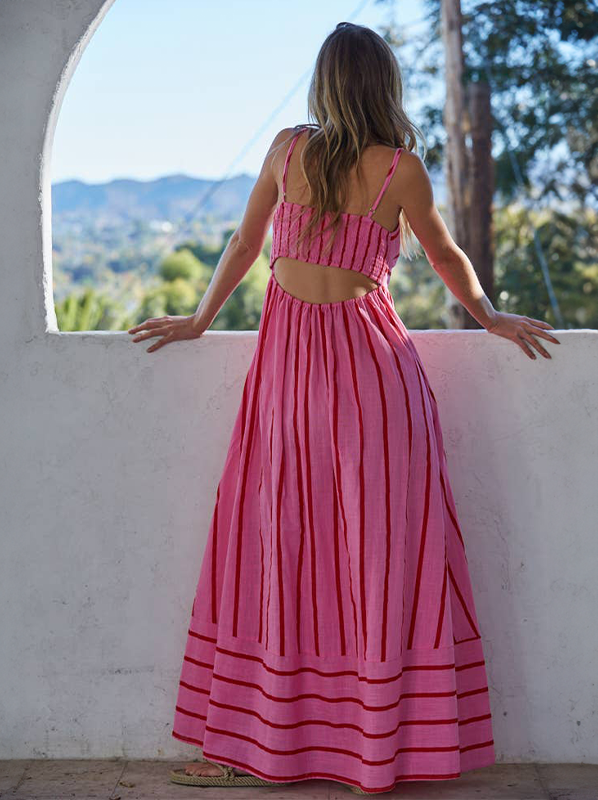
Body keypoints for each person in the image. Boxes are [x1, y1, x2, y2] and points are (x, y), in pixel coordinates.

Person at [128, 21, 559, 797]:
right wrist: (490, 315)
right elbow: (444, 256)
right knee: (375, 551)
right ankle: (374, 750)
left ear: (325, 83)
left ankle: (261, 743)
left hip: (293, 378)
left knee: (276, 546)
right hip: (375, 380)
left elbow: (244, 244)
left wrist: (199, 319)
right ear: (384, 84)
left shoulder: (286, 150)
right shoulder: (400, 169)